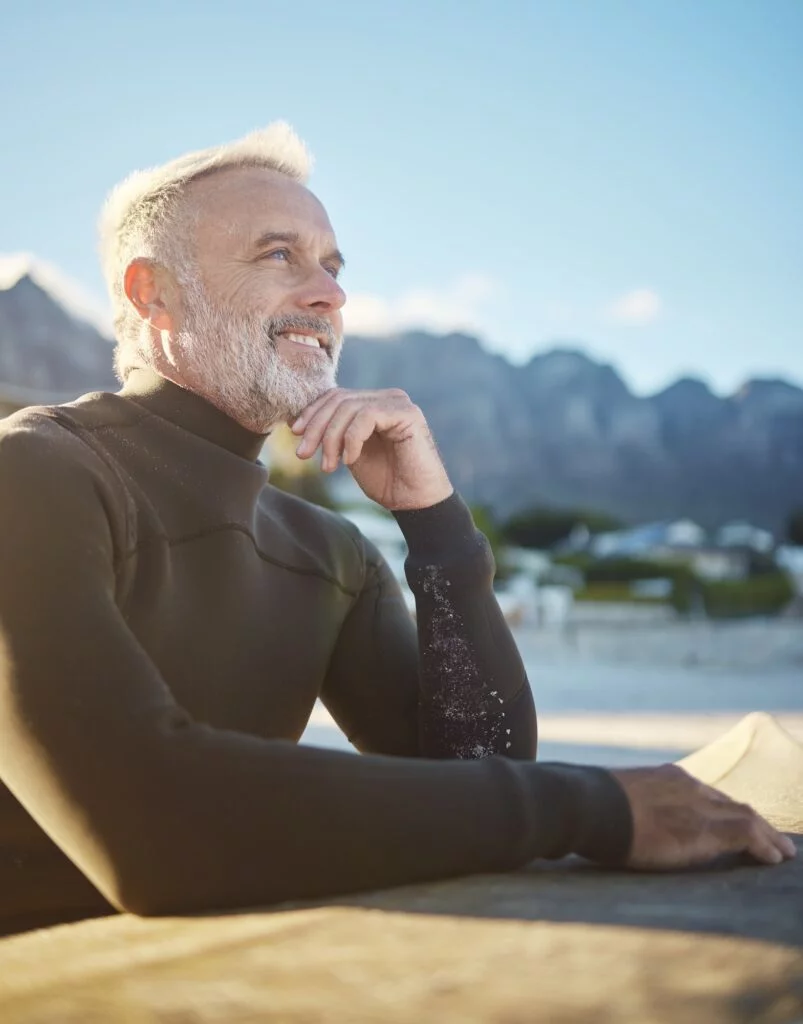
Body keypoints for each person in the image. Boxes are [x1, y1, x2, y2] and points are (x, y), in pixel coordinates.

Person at [0, 125, 794, 937]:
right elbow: (144, 823)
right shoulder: (33, 473)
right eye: (279, 255)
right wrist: (589, 803)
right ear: (151, 294)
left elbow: (476, 769)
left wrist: (435, 524)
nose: (331, 296)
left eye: (333, 267)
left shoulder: (325, 550)